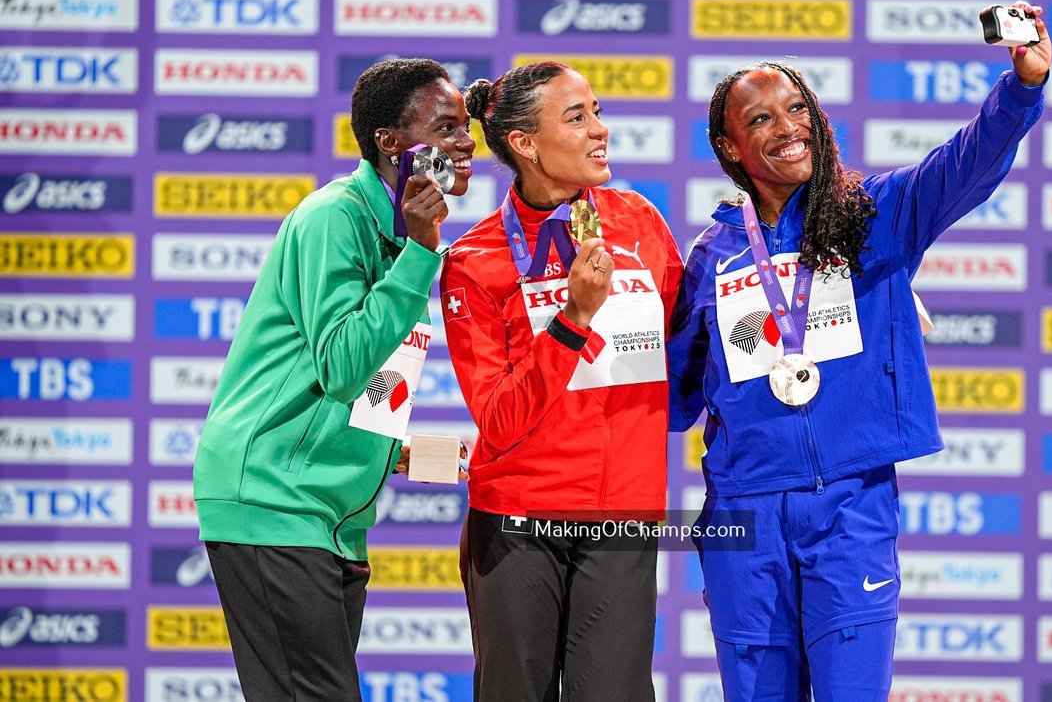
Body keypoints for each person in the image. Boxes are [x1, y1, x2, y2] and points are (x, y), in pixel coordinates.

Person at [667, 4, 1052, 701]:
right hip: (744, 517)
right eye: (761, 119)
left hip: (850, 509)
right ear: (728, 148)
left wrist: (1020, 90)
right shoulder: (711, 257)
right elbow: (670, 399)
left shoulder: (872, 215)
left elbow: (961, 165)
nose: (788, 127)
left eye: (797, 108)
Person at [193, 57, 476, 701]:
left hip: (332, 515)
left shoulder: (395, 234)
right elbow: (345, 364)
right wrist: (423, 253)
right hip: (273, 497)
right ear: (390, 141)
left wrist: (426, 458)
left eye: (467, 130)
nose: (464, 146)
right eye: (446, 127)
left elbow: (366, 397)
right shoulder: (337, 218)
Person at [440, 61, 684, 701]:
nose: (600, 129)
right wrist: (574, 318)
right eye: (577, 118)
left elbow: (694, 347)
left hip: (621, 517)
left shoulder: (639, 223)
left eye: (597, 111)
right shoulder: (476, 260)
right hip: (519, 521)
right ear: (524, 144)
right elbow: (497, 419)